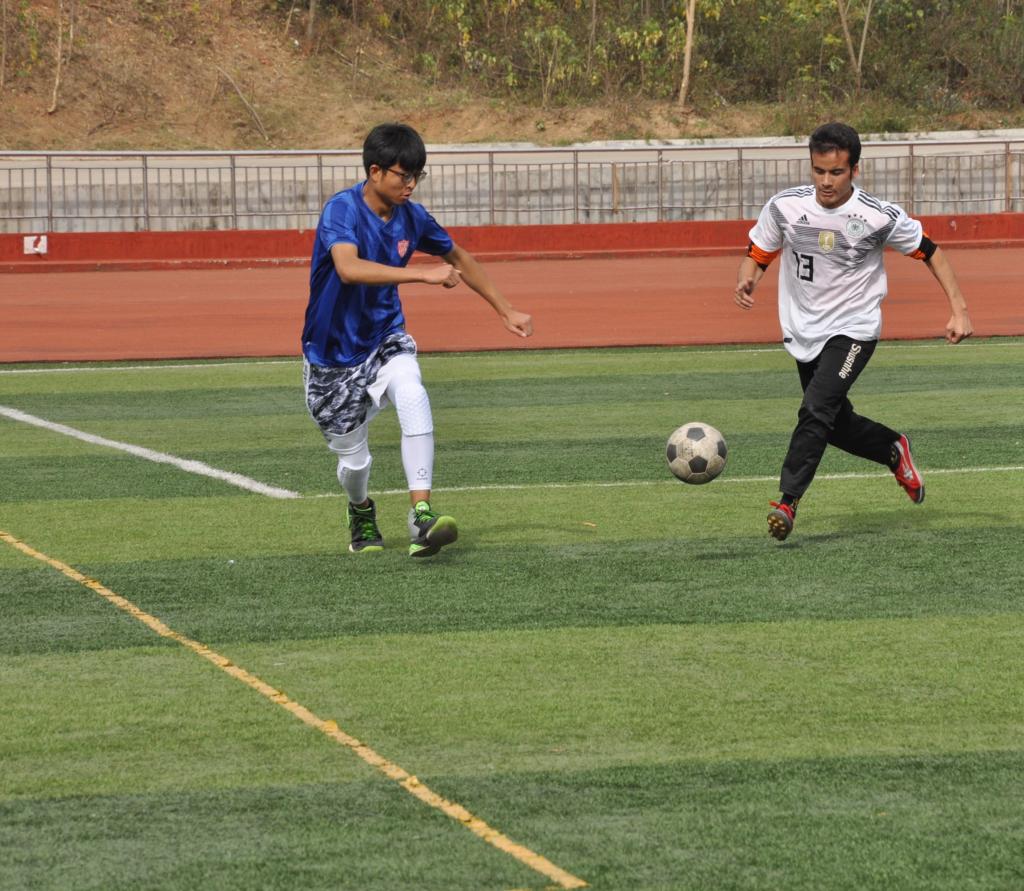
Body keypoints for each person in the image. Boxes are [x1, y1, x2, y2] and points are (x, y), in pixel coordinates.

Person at [302, 122, 533, 556]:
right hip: (332, 354)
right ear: (375, 172)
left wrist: (505, 309)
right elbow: (349, 269)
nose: (410, 184)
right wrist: (422, 275)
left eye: (417, 176)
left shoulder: (413, 216)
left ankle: (421, 515)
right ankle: (360, 508)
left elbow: (458, 256)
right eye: (403, 175)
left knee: (412, 391)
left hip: (385, 336)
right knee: (354, 462)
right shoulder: (341, 210)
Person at [734, 121, 972, 541]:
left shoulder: (877, 216)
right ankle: (892, 449)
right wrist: (748, 278)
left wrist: (960, 310)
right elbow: (758, 254)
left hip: (854, 329)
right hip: (804, 330)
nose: (826, 181)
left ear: (854, 170)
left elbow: (931, 252)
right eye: (818, 171)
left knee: (815, 410)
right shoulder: (784, 207)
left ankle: (787, 501)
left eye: (836, 172)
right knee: (834, 423)